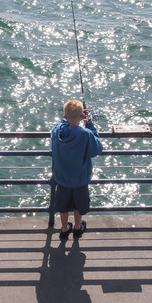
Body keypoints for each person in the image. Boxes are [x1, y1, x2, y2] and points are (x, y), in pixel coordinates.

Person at [51, 99, 103, 240]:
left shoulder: (56, 131)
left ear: (64, 116)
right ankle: (77, 227)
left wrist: (72, 116)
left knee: (62, 206)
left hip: (62, 179)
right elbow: (97, 148)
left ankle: (64, 229)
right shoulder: (85, 134)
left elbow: (60, 123)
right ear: (81, 117)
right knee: (78, 205)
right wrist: (90, 126)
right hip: (80, 180)